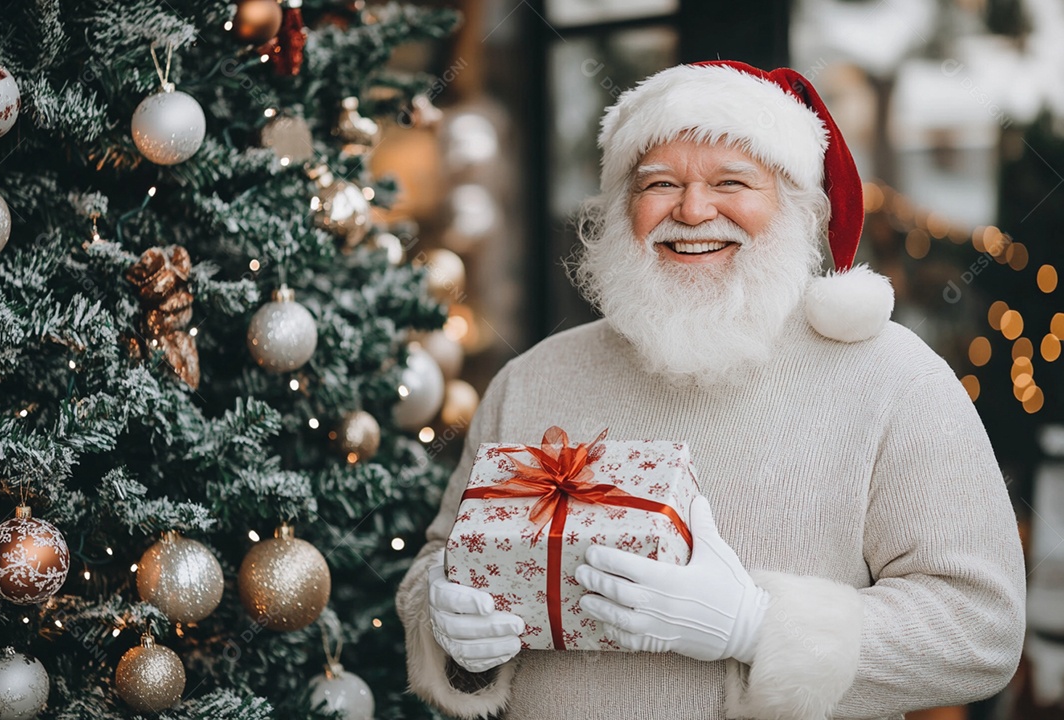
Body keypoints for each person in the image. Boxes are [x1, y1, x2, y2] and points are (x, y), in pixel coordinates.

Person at [395, 60, 1026, 720]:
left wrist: (757, 627)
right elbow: (443, 557)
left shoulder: (893, 377)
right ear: (622, 207)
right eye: (660, 183)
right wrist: (446, 625)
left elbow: (981, 627)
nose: (693, 211)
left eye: (732, 182)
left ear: (799, 207)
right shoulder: (532, 378)